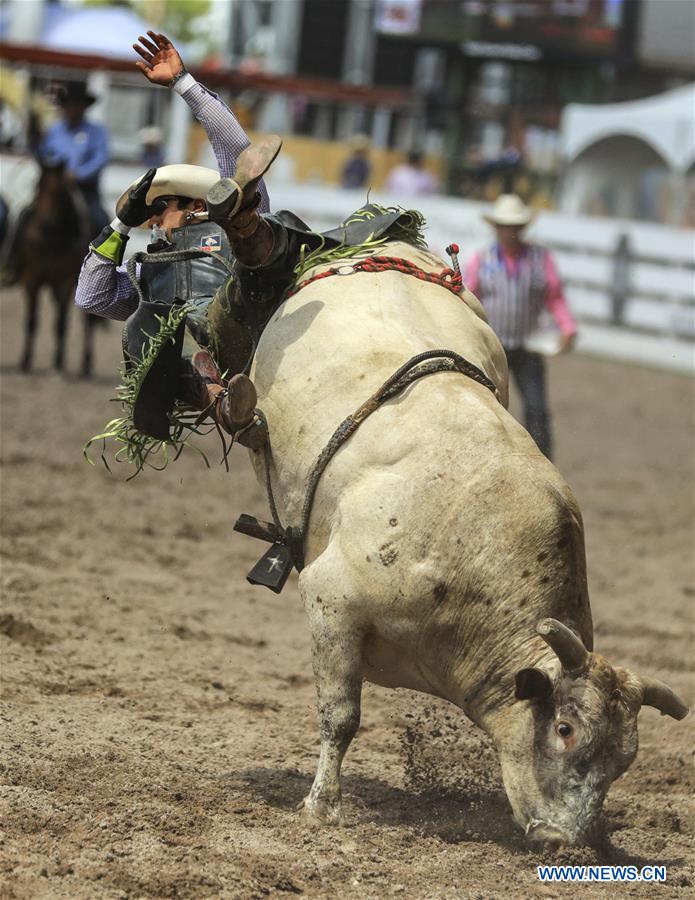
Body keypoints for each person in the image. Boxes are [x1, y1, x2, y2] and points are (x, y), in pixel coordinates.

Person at [464, 194, 577, 460]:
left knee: (537, 408)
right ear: (496, 228)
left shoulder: (540, 259)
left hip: (528, 344)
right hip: (492, 346)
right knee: (486, 404)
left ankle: (542, 459)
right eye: (505, 226)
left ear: (523, 227)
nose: (510, 232)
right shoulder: (482, 259)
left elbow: (555, 296)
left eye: (515, 226)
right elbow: (468, 297)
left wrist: (567, 326)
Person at [39, 81, 110, 231]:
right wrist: (54, 170)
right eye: (70, 104)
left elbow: (100, 159)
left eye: (78, 104)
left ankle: (102, 246)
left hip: (84, 188)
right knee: (26, 213)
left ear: (84, 107)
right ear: (64, 106)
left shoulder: (96, 132)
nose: (73, 108)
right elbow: (44, 153)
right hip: (53, 185)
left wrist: (78, 174)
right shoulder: (54, 130)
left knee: (100, 220)